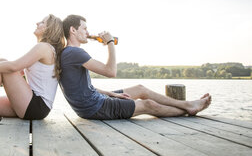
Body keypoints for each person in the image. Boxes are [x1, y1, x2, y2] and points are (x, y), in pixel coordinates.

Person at [59, 14, 212, 120]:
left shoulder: (70, 53)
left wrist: (112, 94)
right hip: (94, 107)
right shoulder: (74, 52)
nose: (88, 32)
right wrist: (110, 43)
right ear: (73, 30)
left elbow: (85, 87)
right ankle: (188, 109)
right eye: (84, 28)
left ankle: (188, 105)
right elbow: (111, 72)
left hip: (95, 100)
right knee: (148, 105)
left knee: (140, 89)